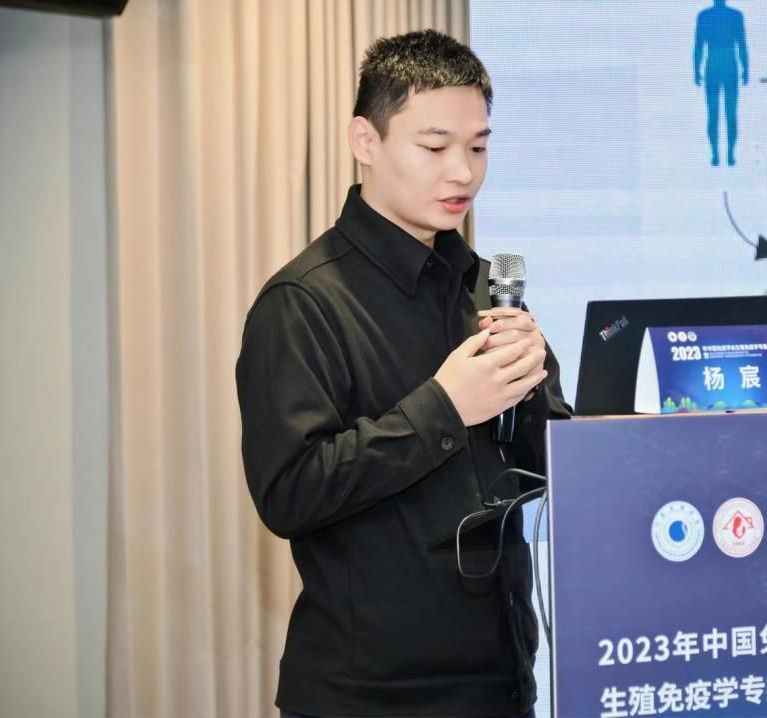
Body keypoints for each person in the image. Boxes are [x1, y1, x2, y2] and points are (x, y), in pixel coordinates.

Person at [235, 29, 572, 718]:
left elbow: (550, 470)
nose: (463, 174)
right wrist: (444, 408)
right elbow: (289, 494)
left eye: (478, 148)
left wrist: (537, 391)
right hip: (370, 697)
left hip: (502, 680)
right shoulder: (302, 302)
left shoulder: (488, 288)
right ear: (366, 140)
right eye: (435, 147)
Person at [694, 0, 749, 167]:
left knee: (718, 113)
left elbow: (698, 46)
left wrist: (696, 69)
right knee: (725, 113)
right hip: (726, 64)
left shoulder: (705, 16)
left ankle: (721, 154)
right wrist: (745, 68)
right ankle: (723, 154)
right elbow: (741, 44)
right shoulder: (734, 16)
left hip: (716, 64)